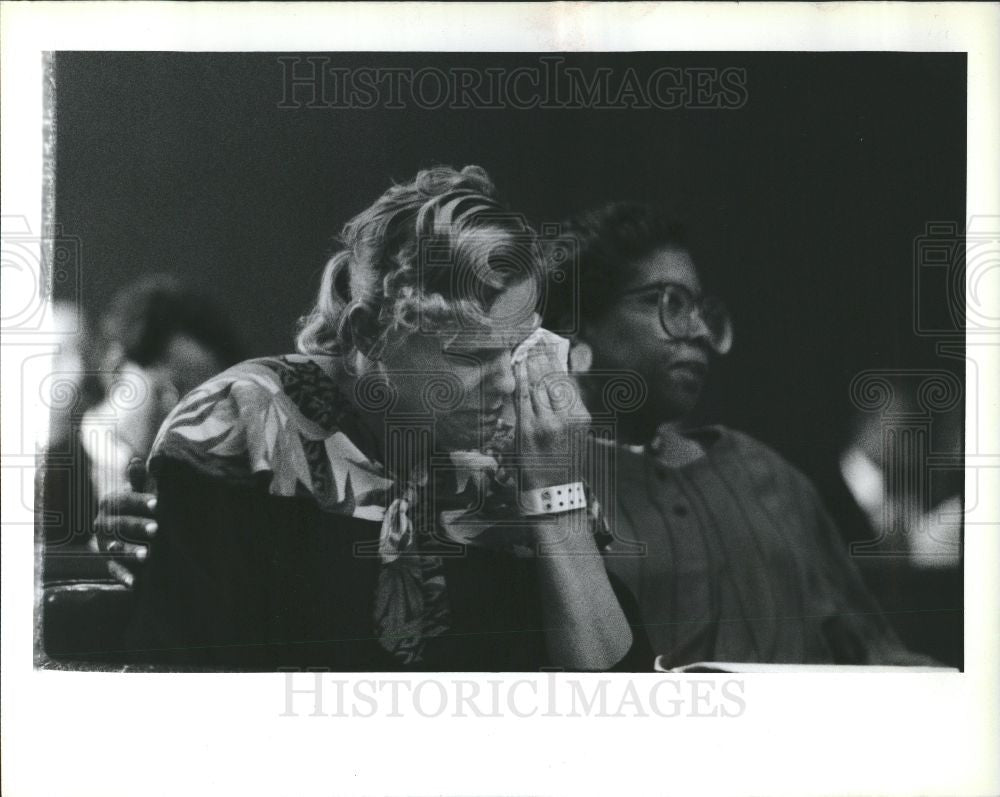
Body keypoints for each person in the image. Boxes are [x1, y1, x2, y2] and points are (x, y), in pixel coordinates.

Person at [111, 166, 634, 671]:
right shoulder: (244, 424)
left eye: (515, 350)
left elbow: (616, 699)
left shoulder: (517, 445)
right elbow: (185, 689)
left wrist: (554, 496)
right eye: (471, 356)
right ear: (367, 333)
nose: (505, 383)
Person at [544, 201, 939, 668]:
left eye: (698, 309)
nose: (697, 331)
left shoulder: (767, 476)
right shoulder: (542, 482)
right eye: (667, 302)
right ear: (581, 321)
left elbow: (874, 653)